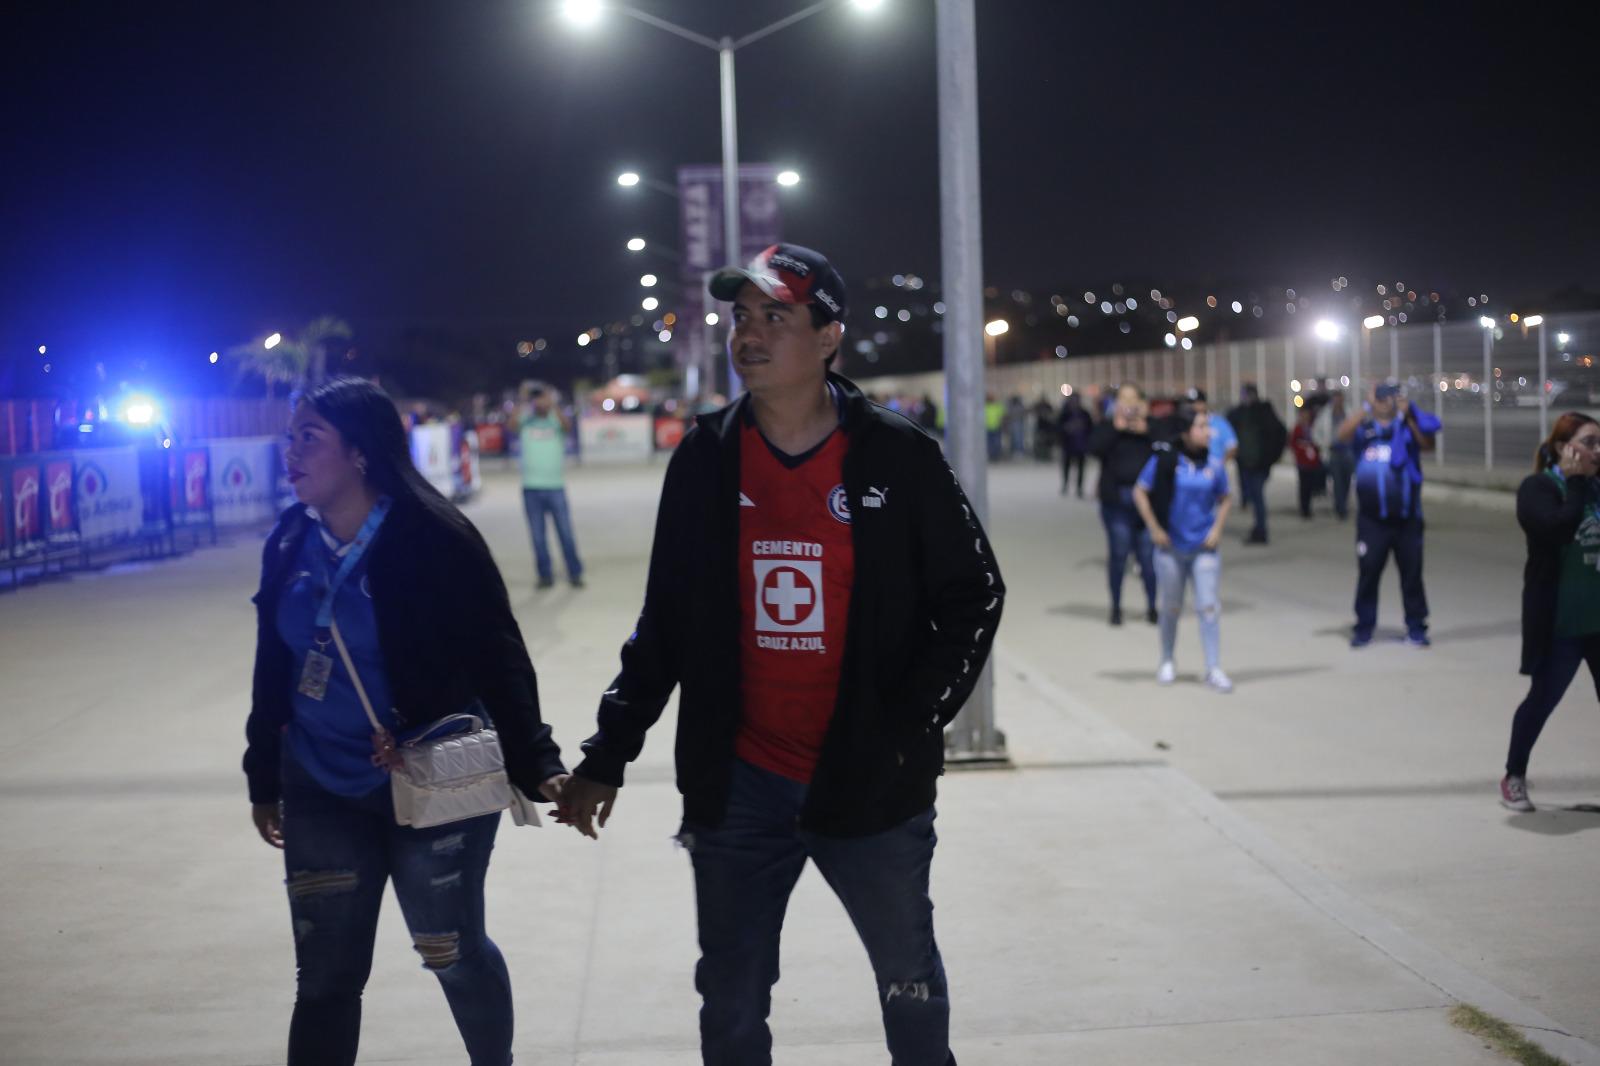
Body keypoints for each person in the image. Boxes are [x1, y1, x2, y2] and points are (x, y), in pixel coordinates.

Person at [559, 243, 1002, 1066]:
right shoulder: (705, 457)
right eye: (741, 317)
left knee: (909, 982)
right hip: (741, 789)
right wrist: (607, 753)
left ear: (829, 336)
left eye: (776, 317)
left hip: (870, 784)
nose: (749, 335)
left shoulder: (896, 456)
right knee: (729, 1004)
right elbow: (666, 622)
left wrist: (907, 722)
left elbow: (974, 593)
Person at [245, 376, 568, 1066]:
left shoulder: (433, 537)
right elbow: (272, 662)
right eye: (289, 438)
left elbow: (496, 655)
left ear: (359, 453)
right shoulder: (288, 543)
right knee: (326, 978)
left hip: (430, 778)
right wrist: (261, 776)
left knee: (449, 950)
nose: (290, 453)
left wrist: (536, 760)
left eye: (309, 438)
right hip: (319, 782)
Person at [1501, 413, 1600, 811]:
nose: (1598, 450)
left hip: (1598, 621)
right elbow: (1558, 528)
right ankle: (1514, 776)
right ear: (1563, 448)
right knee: (1543, 699)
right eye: (1590, 442)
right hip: (1561, 623)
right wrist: (1577, 481)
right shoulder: (1538, 488)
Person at [1132, 405, 1234, 692]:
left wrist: (1217, 529)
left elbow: (1225, 497)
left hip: (1204, 549)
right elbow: (1140, 491)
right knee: (1171, 607)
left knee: (1209, 608)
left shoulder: (1214, 463)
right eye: (1201, 426)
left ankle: (1213, 667)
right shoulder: (1166, 460)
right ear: (1186, 432)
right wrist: (1154, 527)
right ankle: (1167, 660)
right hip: (1171, 550)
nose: (1208, 432)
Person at [1337, 382, 1442, 647]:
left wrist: (1409, 415)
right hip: (1372, 521)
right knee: (1368, 574)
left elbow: (1427, 444)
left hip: (1407, 519)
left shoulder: (1406, 427)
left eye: (1389, 397)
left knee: (1412, 575)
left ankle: (1416, 627)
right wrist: (1366, 407)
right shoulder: (1365, 431)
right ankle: (1364, 626)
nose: (1385, 401)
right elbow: (1342, 435)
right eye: (1380, 397)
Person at [1090, 385, 1157, 626]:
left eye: (1133, 399)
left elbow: (1166, 445)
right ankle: (1116, 607)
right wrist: (1116, 428)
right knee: (1119, 555)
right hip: (1117, 502)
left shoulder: (1150, 427)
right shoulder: (1108, 428)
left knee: (1148, 558)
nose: (1129, 404)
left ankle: (1152, 606)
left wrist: (1146, 427)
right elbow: (1094, 448)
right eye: (1123, 399)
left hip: (1146, 504)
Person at [518, 385, 585, 589]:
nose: (539, 401)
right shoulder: (526, 420)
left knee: (565, 532)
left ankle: (574, 572)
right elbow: (511, 425)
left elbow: (567, 426)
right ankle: (545, 575)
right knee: (538, 536)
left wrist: (552, 402)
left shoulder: (555, 420)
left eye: (542, 397)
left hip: (555, 486)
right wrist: (523, 400)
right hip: (530, 487)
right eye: (536, 398)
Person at [1226, 384, 1287, 545]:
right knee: (1253, 496)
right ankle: (1258, 526)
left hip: (1259, 464)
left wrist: (1271, 458)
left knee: (1258, 497)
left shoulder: (1264, 412)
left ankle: (1261, 530)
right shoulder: (1238, 414)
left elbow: (1280, 433)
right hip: (1245, 464)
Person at [1317, 391, 1356, 520]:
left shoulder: (1349, 413)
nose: (1338, 402)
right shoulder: (1325, 414)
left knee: (1347, 480)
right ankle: (1340, 508)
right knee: (1337, 482)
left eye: (1340, 399)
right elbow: (1315, 432)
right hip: (1333, 452)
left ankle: (1343, 503)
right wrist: (1324, 444)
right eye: (1335, 399)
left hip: (1348, 452)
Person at [1186, 388, 1237, 467]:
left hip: (1217, 466)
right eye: (1191, 403)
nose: (1194, 406)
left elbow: (1232, 446)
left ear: (1204, 403)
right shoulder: (1184, 424)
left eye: (1197, 402)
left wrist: (1221, 464)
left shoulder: (1219, 422)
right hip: (1194, 467)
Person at [1290, 403, 1325, 518]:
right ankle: (1303, 508)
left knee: (1310, 485)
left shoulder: (1313, 427)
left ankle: (1308, 507)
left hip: (1312, 462)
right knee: (1303, 485)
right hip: (1302, 461)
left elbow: (1318, 441)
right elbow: (1293, 443)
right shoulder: (1298, 428)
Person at [1057, 392, 1093, 497]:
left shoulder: (1084, 413)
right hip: (1068, 444)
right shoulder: (1065, 414)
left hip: (1081, 445)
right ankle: (1065, 484)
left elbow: (1090, 428)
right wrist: (1066, 428)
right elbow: (1058, 427)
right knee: (1066, 466)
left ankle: (1079, 487)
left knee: (1081, 468)